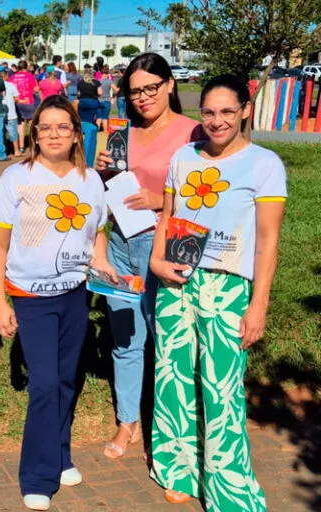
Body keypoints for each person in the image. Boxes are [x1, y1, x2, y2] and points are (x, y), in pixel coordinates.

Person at [148, 74, 283, 510]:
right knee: (172, 377)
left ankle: (228, 489)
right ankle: (177, 468)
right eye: (208, 112)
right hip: (177, 281)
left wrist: (258, 304)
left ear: (245, 110)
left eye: (227, 112)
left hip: (228, 288)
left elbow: (268, 243)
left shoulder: (264, 164)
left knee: (222, 389)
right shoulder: (184, 157)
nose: (217, 121)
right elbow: (168, 216)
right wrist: (155, 260)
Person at [0, 95, 117, 512]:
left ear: (78, 133)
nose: (54, 134)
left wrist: (101, 260)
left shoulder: (91, 180)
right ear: (34, 134)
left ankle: (60, 455)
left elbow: (99, 229)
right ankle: (37, 474)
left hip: (74, 295)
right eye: (45, 127)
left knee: (64, 380)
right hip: (30, 297)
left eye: (63, 126)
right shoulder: (16, 178)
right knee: (44, 384)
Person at [94, 53, 205, 462]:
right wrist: (104, 172)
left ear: (170, 84)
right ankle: (128, 421)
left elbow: (204, 195)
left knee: (168, 341)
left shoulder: (193, 132)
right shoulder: (122, 134)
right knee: (125, 339)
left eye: (150, 88)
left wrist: (159, 199)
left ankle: (168, 427)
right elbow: (110, 192)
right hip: (121, 244)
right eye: (134, 91)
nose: (142, 98)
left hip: (164, 247)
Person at [9, 60, 40, 154]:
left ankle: (21, 147)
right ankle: (32, 145)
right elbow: (35, 89)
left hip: (17, 102)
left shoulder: (12, 77)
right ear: (26, 67)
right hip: (28, 102)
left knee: (20, 125)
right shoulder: (30, 76)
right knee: (31, 125)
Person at [0, 68, 23, 158]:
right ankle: (16, 150)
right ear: (6, 76)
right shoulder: (11, 85)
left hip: (0, 111)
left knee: (1, 133)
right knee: (13, 132)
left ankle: (3, 151)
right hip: (11, 112)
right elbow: (17, 98)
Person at [96, 65, 114, 130]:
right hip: (107, 100)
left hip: (99, 101)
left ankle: (97, 132)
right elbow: (116, 89)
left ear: (101, 74)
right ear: (107, 74)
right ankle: (105, 133)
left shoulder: (97, 81)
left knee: (98, 118)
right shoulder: (109, 81)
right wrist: (113, 96)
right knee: (105, 118)